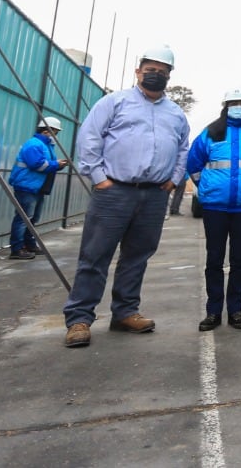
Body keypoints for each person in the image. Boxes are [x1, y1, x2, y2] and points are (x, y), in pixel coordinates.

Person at [62, 45, 190, 349]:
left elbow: (183, 149)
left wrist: (172, 181)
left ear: (170, 75)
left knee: (137, 256)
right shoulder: (114, 102)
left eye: (162, 70)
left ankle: (125, 312)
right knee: (95, 256)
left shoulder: (175, 114)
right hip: (114, 192)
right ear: (138, 71)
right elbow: (90, 138)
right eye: (150, 68)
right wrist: (100, 179)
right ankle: (79, 318)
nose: (156, 74)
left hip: (154, 195)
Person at [186, 88, 241, 331]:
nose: (239, 106)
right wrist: (209, 187)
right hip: (215, 207)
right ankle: (213, 312)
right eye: (234, 102)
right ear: (225, 106)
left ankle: (235, 310)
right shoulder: (210, 133)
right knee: (214, 259)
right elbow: (193, 165)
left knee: (239, 260)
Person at [7, 116, 69, 259]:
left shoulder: (46, 145)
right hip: (27, 186)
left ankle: (29, 244)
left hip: (36, 187)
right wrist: (56, 165)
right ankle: (17, 249)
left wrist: (57, 165)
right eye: (55, 132)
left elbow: (46, 164)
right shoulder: (34, 144)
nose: (56, 135)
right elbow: (38, 165)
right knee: (24, 218)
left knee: (32, 218)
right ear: (47, 131)